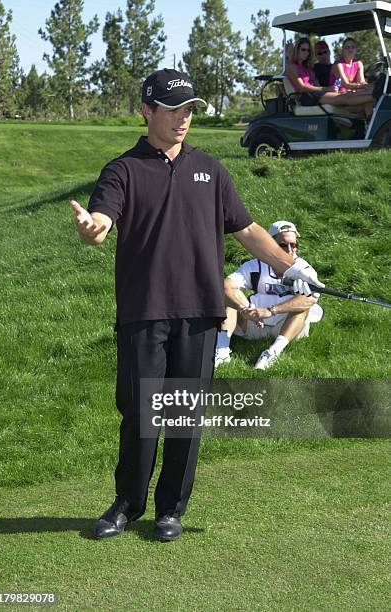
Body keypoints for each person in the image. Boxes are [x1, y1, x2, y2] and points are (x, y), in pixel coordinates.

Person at [70, 68, 323, 542]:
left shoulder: (210, 169)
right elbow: (103, 218)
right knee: (140, 412)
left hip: (201, 312)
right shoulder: (123, 170)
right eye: (173, 108)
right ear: (147, 110)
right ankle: (127, 502)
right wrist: (94, 228)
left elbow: (247, 231)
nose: (183, 118)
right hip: (144, 310)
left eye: (189, 109)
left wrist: (292, 269)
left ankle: (171, 509)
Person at [215, 221, 324, 370]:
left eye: (294, 244)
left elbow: (310, 298)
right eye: (283, 245)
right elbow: (225, 286)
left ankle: (272, 352)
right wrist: (244, 309)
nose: (290, 249)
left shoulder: (304, 269)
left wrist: (270, 311)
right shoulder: (254, 266)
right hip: (254, 323)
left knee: (304, 304)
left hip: (286, 327)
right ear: (270, 244)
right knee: (229, 297)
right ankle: (221, 352)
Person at [286, 37, 376, 117]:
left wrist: (332, 88)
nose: (306, 52)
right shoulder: (301, 67)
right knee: (344, 97)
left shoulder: (309, 68)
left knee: (361, 101)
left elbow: (334, 81)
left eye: (308, 50)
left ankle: (371, 131)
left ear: (329, 52)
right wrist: (326, 89)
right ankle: (376, 94)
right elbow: (302, 87)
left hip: (318, 94)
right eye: (303, 50)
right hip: (307, 97)